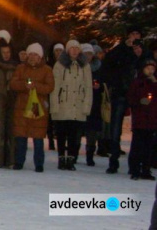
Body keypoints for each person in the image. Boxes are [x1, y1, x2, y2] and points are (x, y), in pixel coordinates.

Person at [10, 43, 54, 172]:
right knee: (21, 136)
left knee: (38, 137)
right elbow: (13, 83)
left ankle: (39, 164)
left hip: (38, 107)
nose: (33, 57)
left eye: (35, 54)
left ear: (40, 57)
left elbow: (50, 87)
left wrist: (36, 87)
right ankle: (19, 161)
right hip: (22, 106)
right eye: (31, 54)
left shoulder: (47, 70)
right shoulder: (20, 68)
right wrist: (25, 85)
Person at [104, 26, 142, 174]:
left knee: (139, 129)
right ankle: (113, 160)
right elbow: (109, 62)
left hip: (138, 94)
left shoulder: (142, 51)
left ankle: (136, 162)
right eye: (132, 33)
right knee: (115, 128)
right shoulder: (121, 49)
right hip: (121, 92)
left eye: (137, 33)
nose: (134, 36)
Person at [51, 40, 93, 171]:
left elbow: (88, 87)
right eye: (72, 48)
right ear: (67, 50)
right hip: (63, 104)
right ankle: (61, 158)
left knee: (74, 135)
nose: (74, 50)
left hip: (78, 105)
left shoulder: (85, 66)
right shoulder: (59, 65)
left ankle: (70, 158)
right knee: (62, 134)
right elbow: (55, 87)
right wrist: (54, 105)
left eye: (76, 48)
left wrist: (87, 106)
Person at [127, 59, 157, 180]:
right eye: (148, 68)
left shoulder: (154, 83)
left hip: (152, 120)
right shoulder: (137, 82)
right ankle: (134, 169)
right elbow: (130, 98)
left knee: (149, 146)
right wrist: (139, 102)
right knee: (137, 145)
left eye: (152, 69)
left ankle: (146, 169)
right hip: (140, 120)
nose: (150, 71)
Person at [82, 43, 104, 166]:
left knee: (92, 130)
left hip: (95, 102)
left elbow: (104, 81)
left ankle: (90, 154)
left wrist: (99, 86)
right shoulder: (78, 66)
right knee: (78, 128)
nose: (88, 56)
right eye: (86, 53)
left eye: (90, 53)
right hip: (80, 100)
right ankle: (73, 153)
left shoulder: (99, 67)